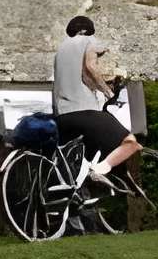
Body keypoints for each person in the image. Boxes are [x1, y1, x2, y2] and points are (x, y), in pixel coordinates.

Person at [50, 13, 141, 180]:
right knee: (130, 143)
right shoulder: (89, 41)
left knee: (88, 156)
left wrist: (100, 83)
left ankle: (82, 191)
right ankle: (98, 173)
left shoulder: (60, 50)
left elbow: (78, 77)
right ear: (88, 30)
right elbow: (89, 69)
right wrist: (108, 92)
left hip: (62, 116)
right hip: (84, 112)